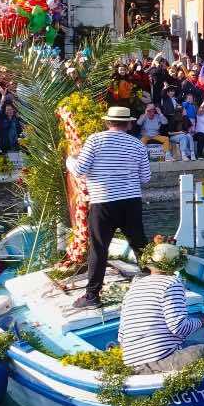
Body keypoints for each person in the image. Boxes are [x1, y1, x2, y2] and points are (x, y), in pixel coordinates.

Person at [65, 106, 151, 309]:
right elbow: (145, 178)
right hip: (131, 201)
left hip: (103, 202)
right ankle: (153, 287)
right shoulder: (137, 144)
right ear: (129, 124)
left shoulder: (95, 140)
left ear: (107, 122)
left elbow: (80, 170)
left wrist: (69, 159)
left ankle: (92, 296)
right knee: (140, 245)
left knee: (99, 248)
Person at [119, 241, 204, 374]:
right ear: (175, 266)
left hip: (131, 362)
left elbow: (121, 336)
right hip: (158, 362)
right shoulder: (171, 283)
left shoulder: (135, 286)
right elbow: (179, 327)